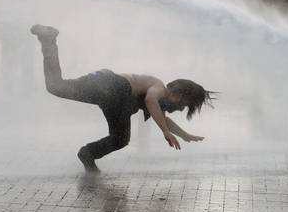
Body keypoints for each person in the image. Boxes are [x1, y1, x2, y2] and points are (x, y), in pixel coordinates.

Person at [30, 24, 216, 173]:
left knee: (56, 86)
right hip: (115, 88)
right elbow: (151, 102)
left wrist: (185, 136)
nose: (182, 109)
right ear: (178, 94)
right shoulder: (158, 87)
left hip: (104, 82)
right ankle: (88, 153)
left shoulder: (160, 98)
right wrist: (166, 133)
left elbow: (163, 118)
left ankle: (48, 40)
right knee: (120, 138)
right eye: (184, 105)